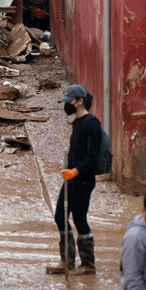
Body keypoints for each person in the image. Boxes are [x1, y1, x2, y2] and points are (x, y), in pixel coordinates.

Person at [46, 84, 102, 275]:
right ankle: (68, 261)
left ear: (79, 101)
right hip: (72, 179)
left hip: (82, 180)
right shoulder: (78, 123)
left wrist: (75, 171)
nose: (66, 105)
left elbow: (91, 157)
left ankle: (87, 264)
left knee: (79, 218)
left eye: (69, 101)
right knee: (61, 216)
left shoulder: (91, 125)